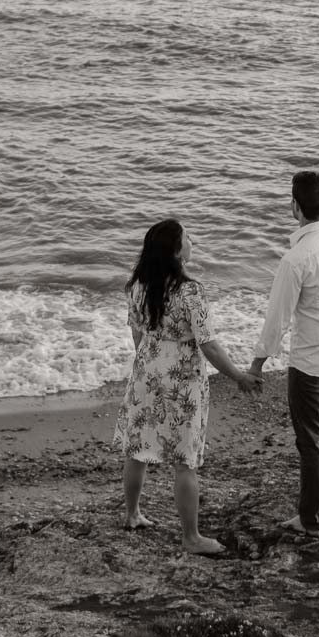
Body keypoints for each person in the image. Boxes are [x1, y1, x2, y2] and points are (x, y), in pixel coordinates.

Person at [114, 218, 260, 555]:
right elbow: (207, 345)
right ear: (176, 251)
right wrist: (238, 376)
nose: (193, 241)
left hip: (146, 372)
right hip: (182, 379)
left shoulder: (137, 286)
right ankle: (191, 537)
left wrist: (151, 362)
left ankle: (132, 514)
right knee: (185, 459)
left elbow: (137, 334)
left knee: (137, 449)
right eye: (188, 237)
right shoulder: (190, 291)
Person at [249, 171, 319, 534]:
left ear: (294, 206)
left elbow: (277, 320)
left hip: (312, 360)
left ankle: (311, 519)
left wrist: (256, 365)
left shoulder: (295, 259)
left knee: (310, 439)